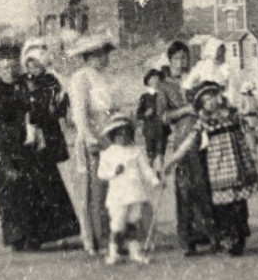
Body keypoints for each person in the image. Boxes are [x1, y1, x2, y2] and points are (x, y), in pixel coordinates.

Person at [181, 80, 258, 256]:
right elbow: (189, 142)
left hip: (239, 163)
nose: (210, 102)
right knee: (223, 205)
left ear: (219, 97)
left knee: (239, 203)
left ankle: (240, 236)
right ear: (201, 104)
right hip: (219, 167)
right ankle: (228, 237)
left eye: (212, 97)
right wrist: (173, 161)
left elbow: (248, 134)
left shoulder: (233, 114)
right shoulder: (204, 121)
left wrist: (254, 158)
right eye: (205, 100)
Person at [19, 39, 82, 247]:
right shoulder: (24, 82)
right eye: (29, 64)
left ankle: (60, 230)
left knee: (50, 182)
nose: (32, 68)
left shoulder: (51, 82)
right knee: (37, 185)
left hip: (47, 137)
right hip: (30, 139)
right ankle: (40, 232)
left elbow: (59, 108)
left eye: (36, 64)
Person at [157, 38, 216, 255]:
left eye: (184, 58)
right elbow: (162, 117)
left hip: (204, 137)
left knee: (205, 186)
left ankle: (209, 234)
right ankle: (187, 239)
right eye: (177, 58)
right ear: (170, 60)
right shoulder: (164, 86)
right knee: (185, 189)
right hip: (182, 141)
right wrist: (185, 110)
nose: (181, 62)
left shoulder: (197, 80)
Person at [67, 33, 118, 256]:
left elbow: (112, 109)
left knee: (110, 187)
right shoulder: (81, 78)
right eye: (99, 54)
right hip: (92, 137)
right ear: (88, 56)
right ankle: (93, 240)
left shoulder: (104, 78)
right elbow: (79, 112)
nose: (103, 58)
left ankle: (109, 234)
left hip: (109, 136)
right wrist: (88, 136)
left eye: (104, 54)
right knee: (93, 190)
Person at [97, 115, 161, 265]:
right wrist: (114, 172)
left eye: (126, 132)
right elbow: (101, 173)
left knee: (133, 222)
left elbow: (145, 170)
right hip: (118, 195)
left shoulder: (136, 151)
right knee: (117, 224)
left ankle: (135, 252)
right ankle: (114, 253)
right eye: (119, 133)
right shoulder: (108, 153)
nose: (123, 136)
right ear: (113, 135)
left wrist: (155, 181)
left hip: (134, 192)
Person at [184, 37, 237, 105]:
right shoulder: (202, 66)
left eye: (223, 52)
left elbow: (230, 89)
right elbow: (188, 83)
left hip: (221, 100)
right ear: (212, 52)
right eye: (219, 52)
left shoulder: (227, 68)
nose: (221, 55)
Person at [135, 58, 168, 164]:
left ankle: (159, 176)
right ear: (148, 81)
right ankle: (150, 175)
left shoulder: (164, 95)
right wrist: (145, 114)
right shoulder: (144, 97)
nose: (155, 81)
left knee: (161, 154)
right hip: (149, 129)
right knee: (150, 155)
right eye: (152, 79)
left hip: (162, 129)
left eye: (157, 79)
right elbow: (138, 114)